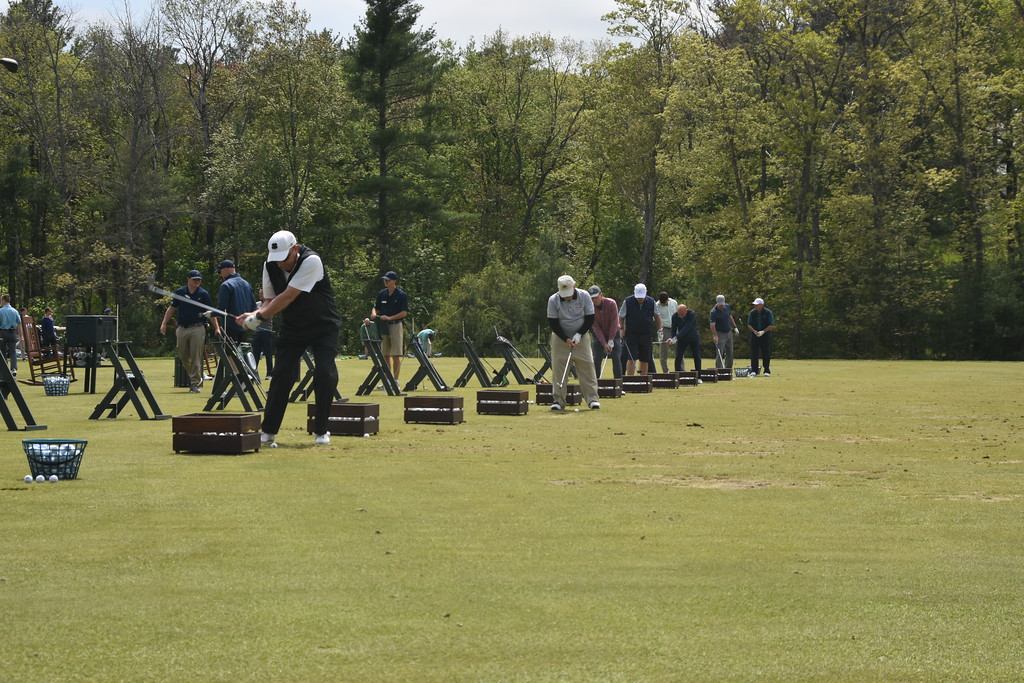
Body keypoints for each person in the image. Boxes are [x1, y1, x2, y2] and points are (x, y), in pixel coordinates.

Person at [237, 230, 340, 446]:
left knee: (324, 372)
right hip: (293, 327)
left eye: (285, 258)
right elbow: (270, 300)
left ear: (295, 249)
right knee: (282, 374)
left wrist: (260, 316)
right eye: (277, 259)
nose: (281, 263)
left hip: (323, 325)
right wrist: (254, 314)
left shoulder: (312, 261)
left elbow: (289, 295)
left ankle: (322, 431)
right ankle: (268, 432)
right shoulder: (270, 264)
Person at [160, 270, 220, 393]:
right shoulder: (180, 292)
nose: (197, 281)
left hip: (198, 327)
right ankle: (197, 375)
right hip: (182, 328)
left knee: (195, 356)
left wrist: (217, 327)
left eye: (199, 279)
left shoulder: (203, 294)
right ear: (188, 279)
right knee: (183, 355)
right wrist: (164, 323)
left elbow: (211, 312)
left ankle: (194, 384)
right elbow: (172, 308)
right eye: (195, 279)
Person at [546, 275, 600, 411]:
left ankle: (592, 399)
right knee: (559, 369)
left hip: (581, 338)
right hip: (560, 339)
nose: (567, 297)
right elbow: (553, 323)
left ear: (574, 286)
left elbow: (590, 318)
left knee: (587, 366)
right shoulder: (553, 300)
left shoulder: (585, 296)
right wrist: (566, 339)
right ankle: (558, 400)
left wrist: (579, 334)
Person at [370, 271, 408, 380]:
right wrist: (374, 313)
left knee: (395, 355)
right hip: (384, 326)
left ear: (394, 281)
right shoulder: (382, 293)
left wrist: (390, 317)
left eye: (388, 280)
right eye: (385, 280)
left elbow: (404, 312)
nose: (386, 281)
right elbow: (375, 307)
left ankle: (395, 381)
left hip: (396, 325)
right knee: (385, 354)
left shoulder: (401, 295)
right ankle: (387, 380)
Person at [619, 284, 661, 375]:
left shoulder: (651, 301)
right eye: (638, 297)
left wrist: (660, 329)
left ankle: (643, 380)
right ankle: (630, 380)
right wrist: (621, 329)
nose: (640, 299)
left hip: (646, 334)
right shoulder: (628, 301)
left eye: (641, 297)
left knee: (645, 358)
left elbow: (657, 316)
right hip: (631, 333)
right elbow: (621, 316)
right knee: (631, 357)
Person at [216, 259, 256, 344]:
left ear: (226, 269)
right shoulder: (246, 284)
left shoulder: (226, 285)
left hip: (230, 327)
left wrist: (211, 314)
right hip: (244, 327)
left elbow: (222, 309)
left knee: (228, 355)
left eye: (220, 272)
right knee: (240, 354)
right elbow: (253, 307)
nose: (220, 275)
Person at [588, 285, 622, 379]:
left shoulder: (611, 303)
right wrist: (604, 344)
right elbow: (596, 327)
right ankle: (595, 385)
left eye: (596, 297)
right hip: (598, 336)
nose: (594, 300)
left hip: (614, 334)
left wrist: (611, 340)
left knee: (616, 358)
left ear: (601, 295)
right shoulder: (589, 308)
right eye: (592, 298)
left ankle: (618, 384)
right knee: (596, 359)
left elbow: (614, 322)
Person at [670, 304, 702, 379]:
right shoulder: (675, 316)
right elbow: (673, 329)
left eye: (682, 314)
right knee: (678, 357)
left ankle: (699, 377)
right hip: (682, 339)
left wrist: (677, 337)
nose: (681, 316)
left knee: (696, 356)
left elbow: (687, 327)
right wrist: (672, 338)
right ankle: (677, 376)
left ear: (686, 311)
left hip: (693, 338)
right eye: (679, 314)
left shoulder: (692, 314)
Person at [747, 297, 776, 377]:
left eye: (757, 305)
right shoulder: (752, 313)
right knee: (754, 353)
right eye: (755, 305)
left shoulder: (768, 312)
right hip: (754, 335)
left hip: (765, 335)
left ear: (761, 305)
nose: (755, 307)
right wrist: (754, 331)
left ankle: (766, 370)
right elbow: (749, 324)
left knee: (766, 353)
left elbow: (771, 324)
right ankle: (754, 371)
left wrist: (763, 331)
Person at [709, 294, 739, 370]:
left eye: (723, 304)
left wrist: (735, 327)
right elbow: (712, 325)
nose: (722, 306)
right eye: (720, 305)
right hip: (720, 333)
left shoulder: (727, 307)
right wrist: (715, 336)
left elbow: (730, 316)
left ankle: (728, 369)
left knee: (730, 352)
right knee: (720, 352)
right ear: (717, 303)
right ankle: (719, 370)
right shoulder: (713, 312)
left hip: (728, 332)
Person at [250, 289, 274, 380]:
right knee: (255, 354)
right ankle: (254, 374)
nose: (260, 295)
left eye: (262, 293)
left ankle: (270, 374)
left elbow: (266, 317)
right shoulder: (257, 304)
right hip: (257, 332)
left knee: (268, 354)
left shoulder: (270, 304)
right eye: (259, 293)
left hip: (267, 332)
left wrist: (256, 316)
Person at [655, 291, 678, 373]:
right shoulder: (657, 305)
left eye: (665, 303)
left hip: (675, 329)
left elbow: (677, 315)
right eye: (663, 303)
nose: (664, 304)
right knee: (664, 353)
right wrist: (660, 331)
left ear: (668, 299)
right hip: (664, 329)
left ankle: (681, 371)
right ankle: (666, 372)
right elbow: (656, 319)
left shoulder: (674, 302)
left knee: (679, 351)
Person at [0, 295, 20, 375]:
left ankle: (5, 369)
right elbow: (19, 323)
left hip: (3, 332)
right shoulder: (15, 311)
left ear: (4, 301)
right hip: (13, 332)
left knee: (2, 351)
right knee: (13, 352)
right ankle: (14, 368)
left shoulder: (1, 311)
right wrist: (20, 335)